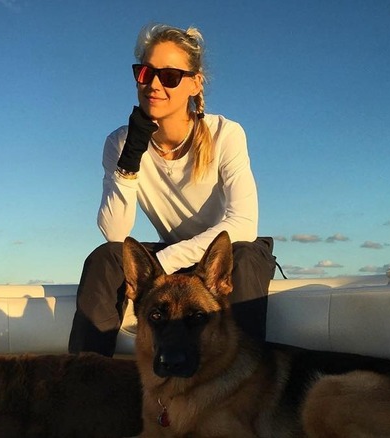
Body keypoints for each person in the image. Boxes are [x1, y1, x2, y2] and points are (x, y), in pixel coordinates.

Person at [68, 23, 276, 357]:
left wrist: (162, 264)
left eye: (169, 76)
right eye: (145, 72)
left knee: (246, 256)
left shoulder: (226, 134)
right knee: (104, 259)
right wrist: (131, 155)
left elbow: (244, 224)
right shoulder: (119, 142)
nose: (153, 84)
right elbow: (115, 234)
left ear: (194, 84)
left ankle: (243, 387)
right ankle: (86, 381)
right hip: (176, 255)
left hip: (227, 255)